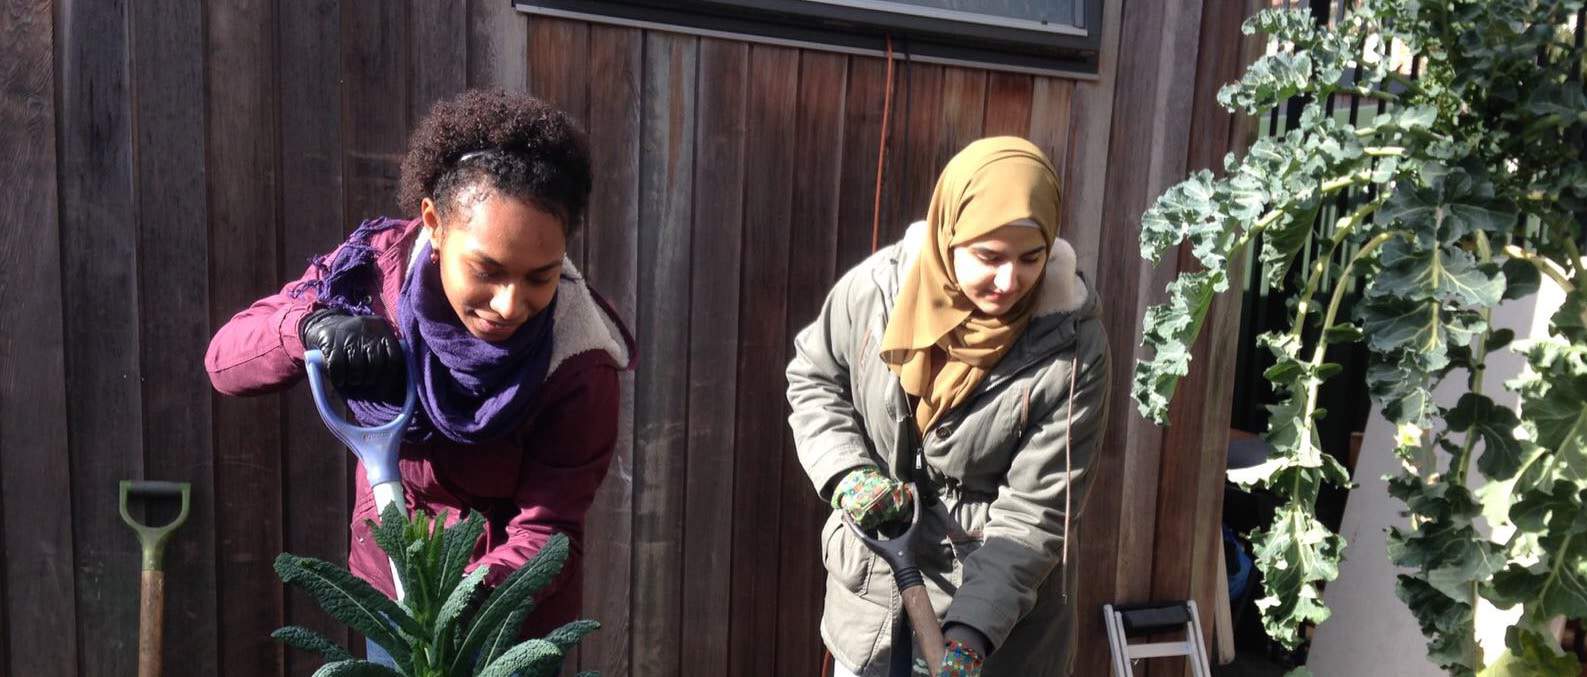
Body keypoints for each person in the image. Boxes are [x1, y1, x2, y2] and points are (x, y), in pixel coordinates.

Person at [205, 88, 633, 664]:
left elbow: (549, 532)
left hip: (511, 620)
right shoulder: (369, 276)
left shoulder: (579, 360)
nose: (510, 304)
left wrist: (450, 609)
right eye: (487, 270)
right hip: (391, 597)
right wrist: (310, 328)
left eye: (540, 277)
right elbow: (225, 363)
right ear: (433, 223)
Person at [786, 137, 1110, 677]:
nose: (1009, 281)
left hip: (1000, 635)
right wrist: (847, 472)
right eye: (989, 257)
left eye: (1031, 258)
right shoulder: (876, 292)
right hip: (873, 605)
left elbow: (1037, 512)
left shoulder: (1071, 347)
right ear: (950, 234)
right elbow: (815, 377)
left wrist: (968, 639)